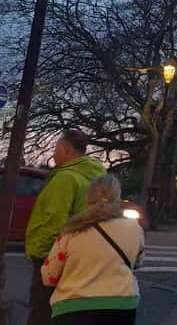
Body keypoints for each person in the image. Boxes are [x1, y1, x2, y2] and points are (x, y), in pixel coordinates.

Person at [26, 129, 106, 325]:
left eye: (56, 148)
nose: (53, 153)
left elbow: (54, 220)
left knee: (42, 307)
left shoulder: (65, 178)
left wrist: (41, 253)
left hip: (54, 254)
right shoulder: (96, 178)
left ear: (67, 150)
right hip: (81, 252)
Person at [41, 175, 144, 323]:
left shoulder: (71, 231)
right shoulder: (135, 228)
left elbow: (48, 277)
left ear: (88, 198)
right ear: (118, 198)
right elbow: (138, 262)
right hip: (122, 305)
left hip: (73, 308)